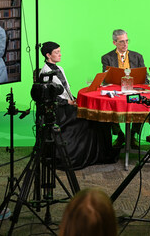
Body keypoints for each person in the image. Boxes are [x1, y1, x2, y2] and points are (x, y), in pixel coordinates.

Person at [39, 41, 118, 170]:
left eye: (60, 51)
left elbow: (66, 90)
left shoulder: (60, 68)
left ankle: (103, 152)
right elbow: (49, 97)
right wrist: (68, 102)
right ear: (48, 55)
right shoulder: (45, 73)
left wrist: (74, 99)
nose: (60, 54)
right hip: (60, 111)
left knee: (97, 114)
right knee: (93, 117)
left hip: (68, 104)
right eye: (57, 52)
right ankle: (99, 155)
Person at [101, 29, 147, 148]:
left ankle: (132, 135)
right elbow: (105, 79)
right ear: (114, 43)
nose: (125, 44)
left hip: (134, 90)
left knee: (141, 104)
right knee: (107, 106)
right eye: (121, 42)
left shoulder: (137, 57)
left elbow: (144, 78)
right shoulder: (107, 58)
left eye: (126, 41)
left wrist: (143, 85)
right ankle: (120, 135)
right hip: (116, 92)